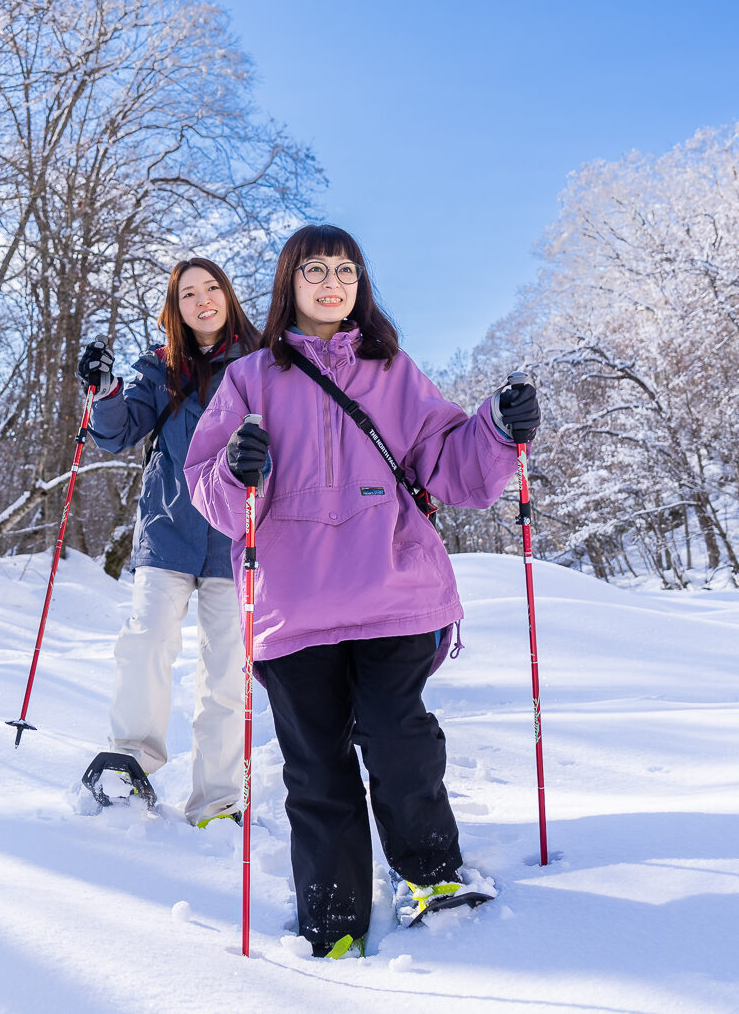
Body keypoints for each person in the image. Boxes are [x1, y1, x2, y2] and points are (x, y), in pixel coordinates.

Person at [182, 224, 541, 958]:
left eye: (345, 269)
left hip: (392, 590)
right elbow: (210, 492)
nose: (331, 282)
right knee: (315, 766)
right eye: (314, 268)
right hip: (294, 606)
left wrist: (498, 430)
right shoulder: (249, 378)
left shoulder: (393, 370)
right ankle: (331, 918)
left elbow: (450, 466)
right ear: (290, 283)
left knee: (395, 731)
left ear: (359, 284)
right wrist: (236, 470)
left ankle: (434, 875)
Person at [75, 256, 262, 827]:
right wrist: (103, 392)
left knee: (227, 670)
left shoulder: (261, 366)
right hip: (167, 532)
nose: (202, 300)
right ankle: (129, 764)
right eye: (188, 294)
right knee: (146, 643)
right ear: (174, 309)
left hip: (237, 537)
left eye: (211, 288)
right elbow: (117, 432)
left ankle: (219, 798)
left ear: (227, 296)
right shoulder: (160, 368)